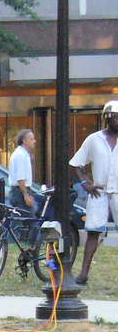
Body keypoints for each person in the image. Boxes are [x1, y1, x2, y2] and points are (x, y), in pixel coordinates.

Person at [69, 101, 118, 286]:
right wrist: (84, 182)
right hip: (99, 191)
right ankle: (83, 274)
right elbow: (76, 163)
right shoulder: (94, 139)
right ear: (109, 118)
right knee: (93, 232)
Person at [8, 129, 36, 211]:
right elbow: (20, 178)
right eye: (31, 139)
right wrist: (26, 195)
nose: (34, 141)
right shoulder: (21, 155)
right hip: (19, 192)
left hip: (20, 191)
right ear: (24, 141)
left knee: (21, 218)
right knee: (27, 219)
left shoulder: (22, 154)